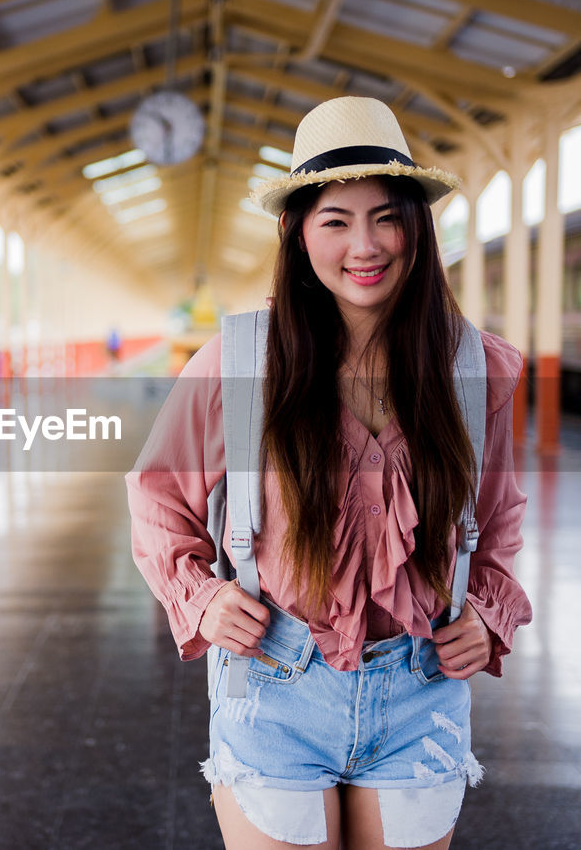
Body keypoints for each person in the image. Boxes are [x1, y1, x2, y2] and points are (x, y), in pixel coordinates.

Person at [125, 96, 532, 849]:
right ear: (297, 232)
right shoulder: (240, 364)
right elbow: (156, 496)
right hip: (275, 689)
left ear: (417, 225)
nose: (365, 244)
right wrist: (202, 597)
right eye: (336, 220)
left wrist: (489, 614)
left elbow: (496, 515)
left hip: (423, 693)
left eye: (386, 216)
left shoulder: (475, 369)